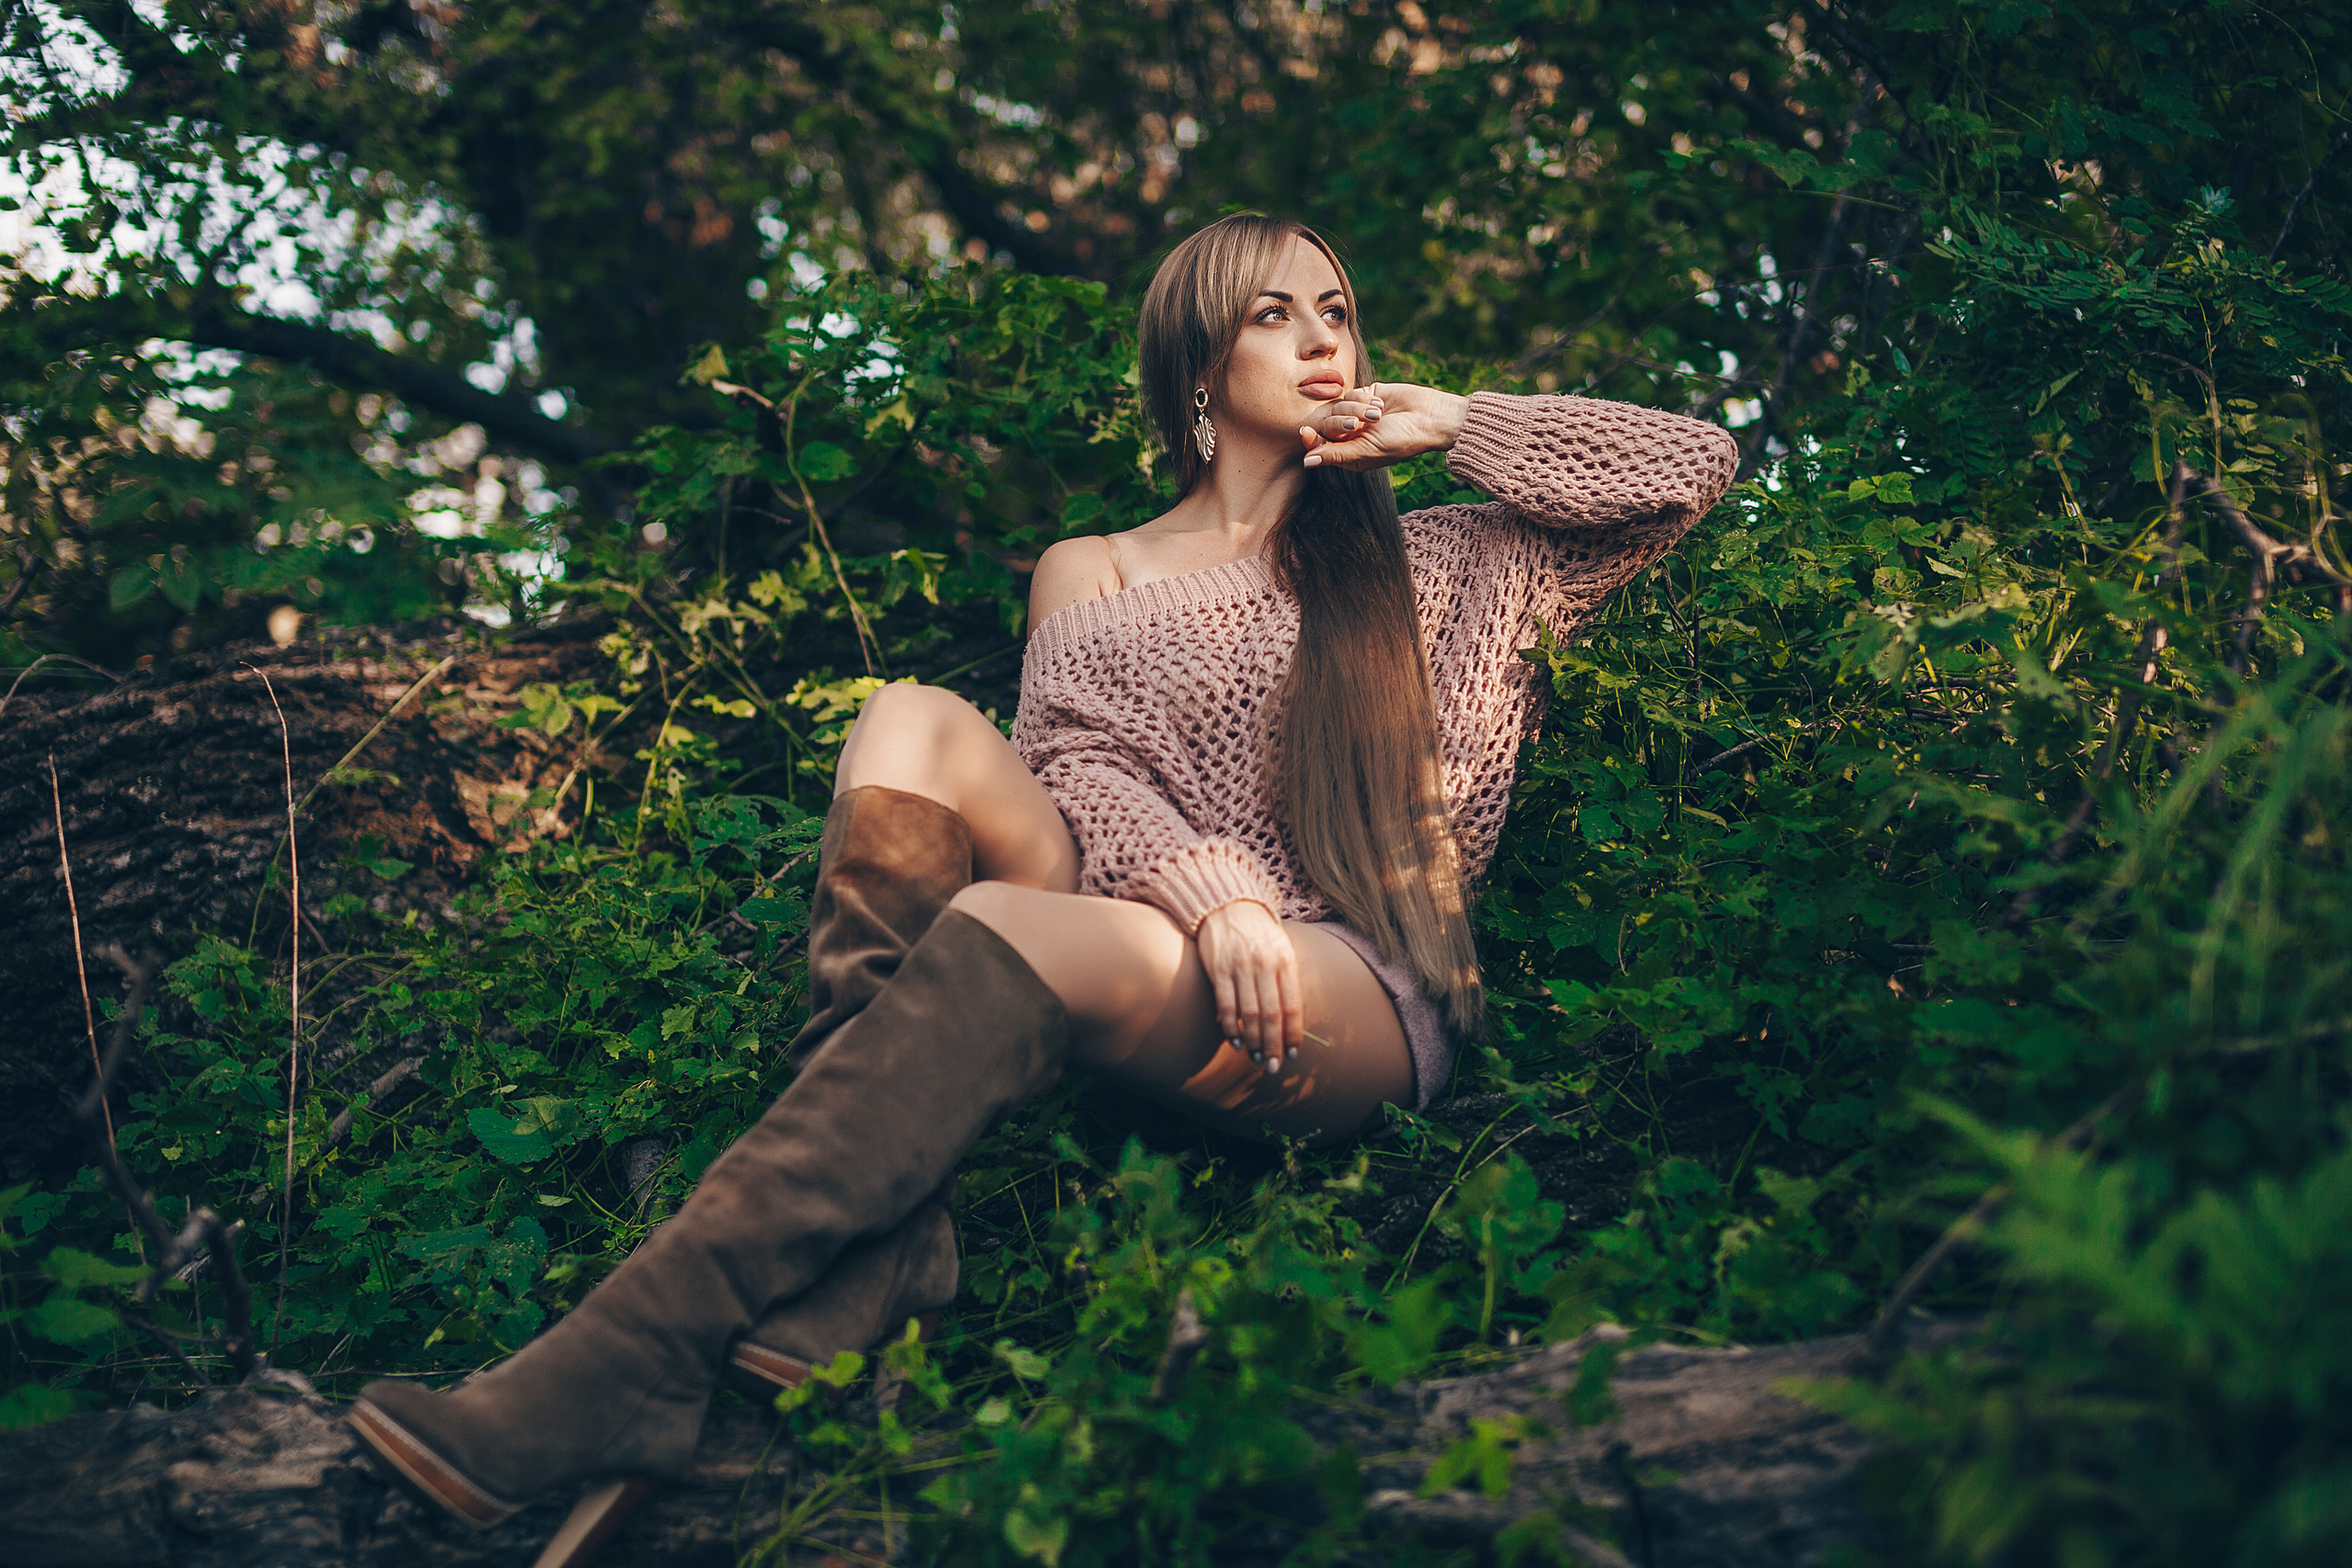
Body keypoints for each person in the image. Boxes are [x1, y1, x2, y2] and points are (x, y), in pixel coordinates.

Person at [346, 214, 1738, 1564]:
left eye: (1337, 312)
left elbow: (1692, 465)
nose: (1320, 340)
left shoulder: (1442, 559)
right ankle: (871, 1262)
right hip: (1162, 928)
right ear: (1201, 370)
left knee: (1001, 917)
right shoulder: (1094, 567)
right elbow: (1077, 768)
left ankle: (630, 1350)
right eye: (1273, 313)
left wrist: (1458, 426)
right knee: (907, 719)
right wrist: (1210, 891)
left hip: (1345, 985)